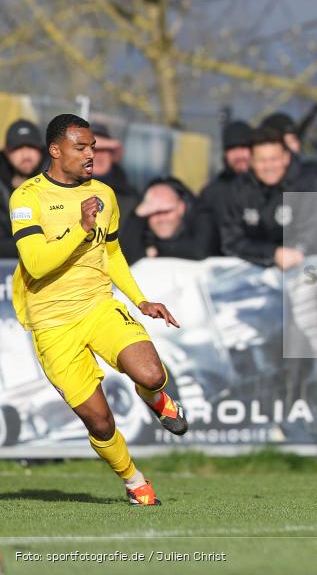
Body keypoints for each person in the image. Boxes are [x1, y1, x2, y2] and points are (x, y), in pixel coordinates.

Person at [7, 114, 187, 506]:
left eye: (93, 147)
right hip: (52, 324)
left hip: (98, 307)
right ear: (55, 151)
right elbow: (36, 264)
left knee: (152, 374)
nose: (91, 154)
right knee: (99, 420)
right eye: (81, 147)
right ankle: (133, 479)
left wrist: (140, 299)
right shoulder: (27, 197)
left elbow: (114, 251)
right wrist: (80, 229)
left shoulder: (105, 194)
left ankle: (155, 398)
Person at [218, 127, 317, 269]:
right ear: (251, 161)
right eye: (261, 160)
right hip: (257, 269)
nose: (268, 166)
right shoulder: (239, 190)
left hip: (306, 266)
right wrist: (273, 253)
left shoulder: (309, 186)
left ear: (286, 158)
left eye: (274, 159)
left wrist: (295, 252)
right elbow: (232, 240)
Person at [120, 178, 219, 263]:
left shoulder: (202, 216)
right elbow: (122, 259)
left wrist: (158, 249)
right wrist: (136, 216)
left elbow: (200, 252)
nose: (161, 219)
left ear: (181, 207)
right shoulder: (141, 225)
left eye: (166, 211)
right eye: (154, 213)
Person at [197, 120, 253, 256]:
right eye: (232, 149)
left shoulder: (269, 188)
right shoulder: (212, 192)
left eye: (244, 148)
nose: (239, 155)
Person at [1, 119, 46, 258]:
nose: (26, 155)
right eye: (18, 148)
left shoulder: (58, 180)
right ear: (7, 152)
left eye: (31, 147)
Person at [90, 123, 139, 227]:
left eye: (104, 150)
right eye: (93, 150)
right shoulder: (62, 186)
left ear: (113, 156)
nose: (98, 156)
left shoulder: (130, 197)